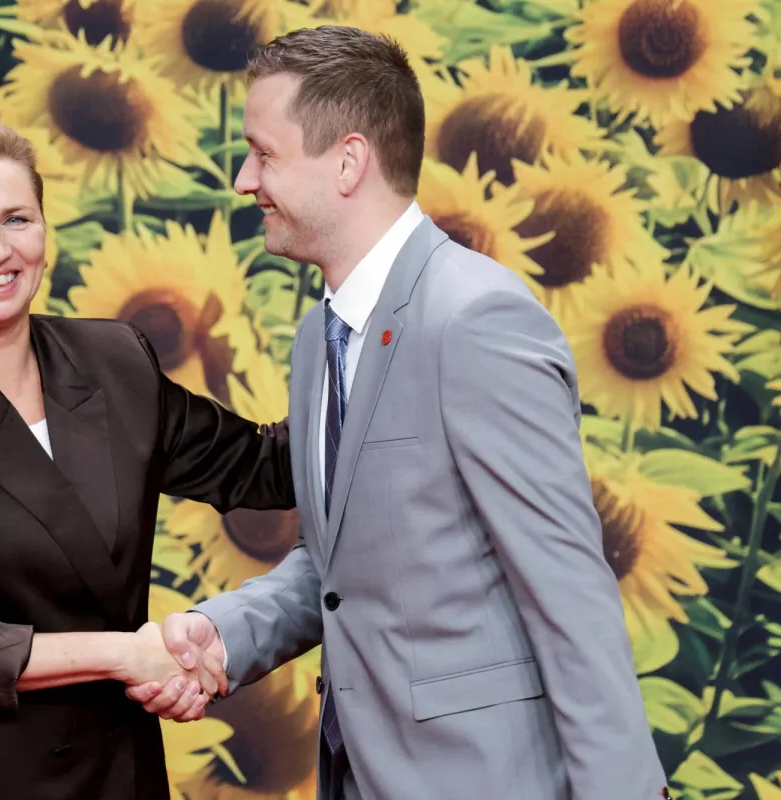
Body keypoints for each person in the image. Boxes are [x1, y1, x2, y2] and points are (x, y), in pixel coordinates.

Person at [128, 25, 671, 800]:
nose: (244, 180)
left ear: (348, 162)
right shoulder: (319, 337)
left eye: (263, 154)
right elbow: (345, 566)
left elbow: (569, 593)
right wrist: (225, 633)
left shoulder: (475, 319)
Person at [0, 117, 293, 800]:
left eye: (17, 219)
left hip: (111, 770)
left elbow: (264, 468)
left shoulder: (114, 361)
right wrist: (129, 655)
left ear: (45, 231)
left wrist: (382, 356)